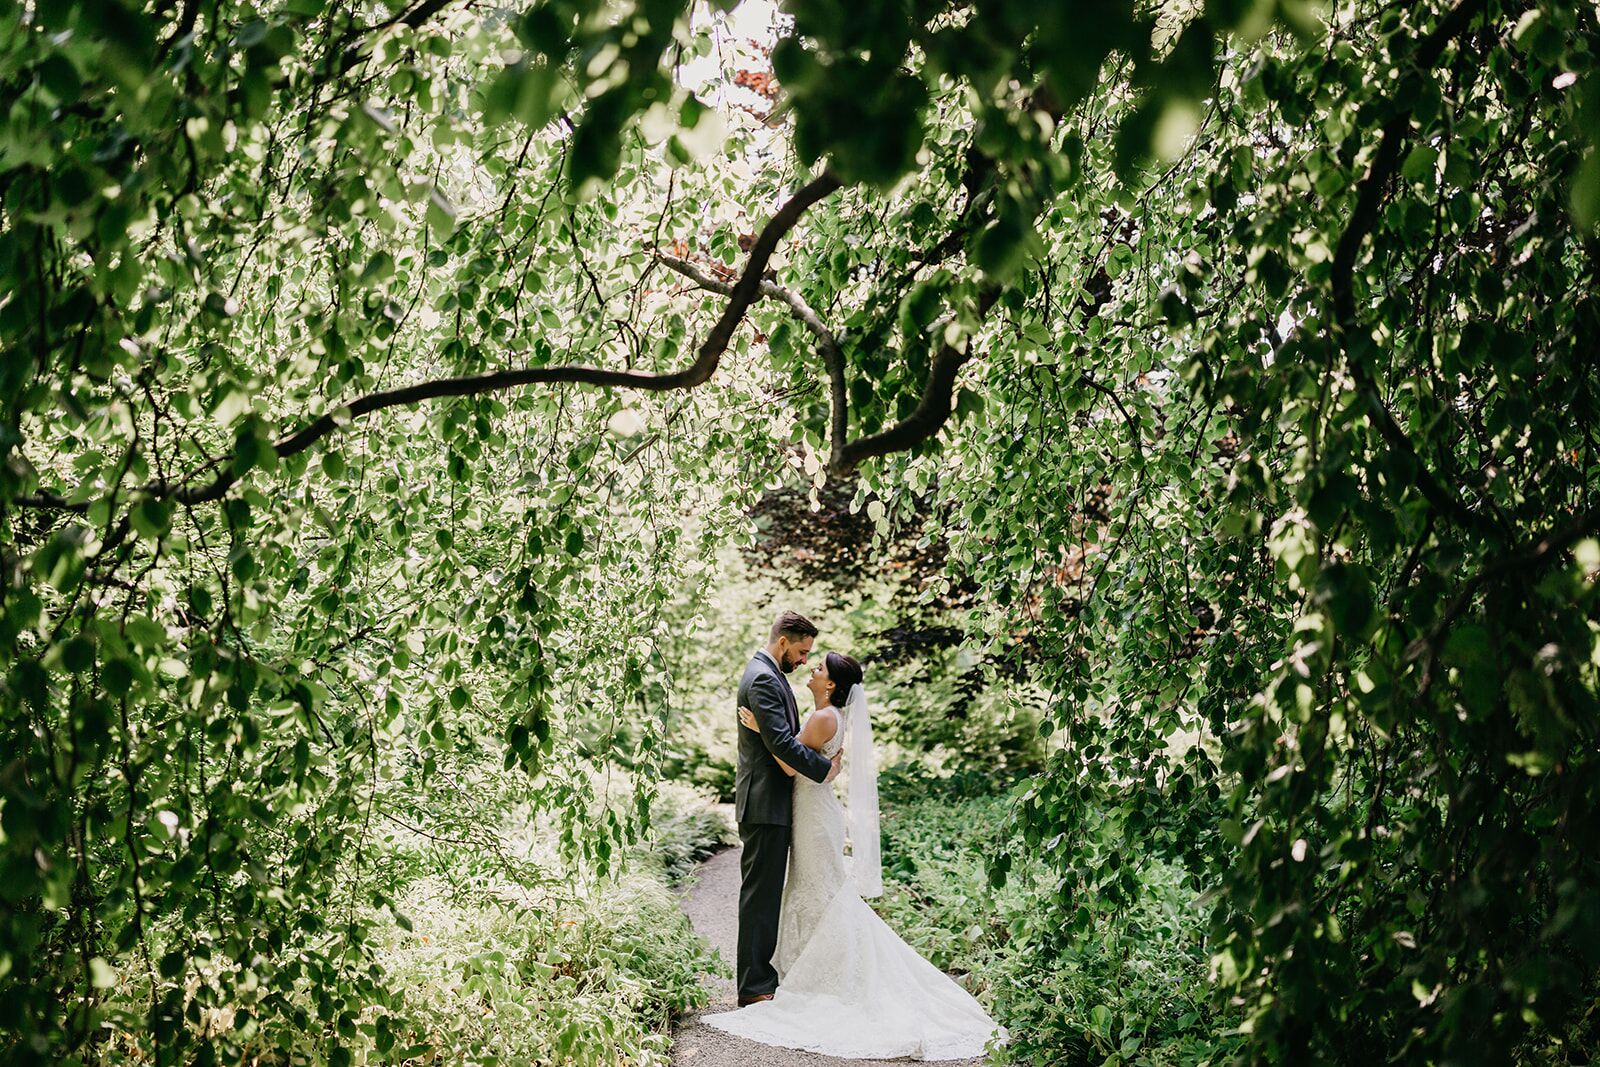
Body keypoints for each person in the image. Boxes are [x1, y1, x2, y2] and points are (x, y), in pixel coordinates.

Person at [706, 647, 1005, 1060]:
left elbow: (792, 765)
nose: (813, 668)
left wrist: (762, 730)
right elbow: (817, 763)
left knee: (821, 892)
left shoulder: (824, 716)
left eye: (820, 667)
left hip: (812, 817)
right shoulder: (828, 715)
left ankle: (828, 978)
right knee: (817, 891)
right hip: (814, 812)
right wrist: (827, 768)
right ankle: (815, 973)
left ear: (831, 684)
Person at [731, 610, 843, 1006]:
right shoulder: (763, 677)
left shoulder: (770, 673)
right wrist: (825, 768)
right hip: (764, 803)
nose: (802, 660)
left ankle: (764, 979)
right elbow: (780, 743)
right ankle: (754, 987)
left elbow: (779, 737)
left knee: (766, 894)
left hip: (774, 802)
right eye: (800, 651)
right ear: (782, 642)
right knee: (760, 896)